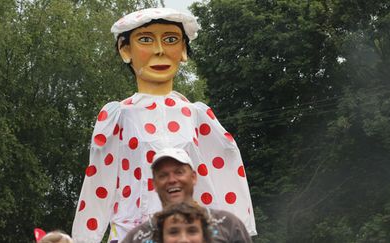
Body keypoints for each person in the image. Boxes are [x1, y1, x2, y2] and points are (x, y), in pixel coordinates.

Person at [72, 8, 256, 243]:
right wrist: (84, 239)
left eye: (170, 39)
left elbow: (225, 170)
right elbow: (99, 180)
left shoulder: (196, 115)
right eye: (146, 40)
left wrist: (237, 227)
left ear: (183, 51)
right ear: (125, 50)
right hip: (134, 231)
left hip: (188, 232)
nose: (159, 50)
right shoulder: (118, 115)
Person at [122, 148, 253, 243]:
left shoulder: (227, 224)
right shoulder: (136, 238)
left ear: (193, 177)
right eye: (163, 175)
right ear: (154, 184)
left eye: (179, 172)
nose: (172, 180)